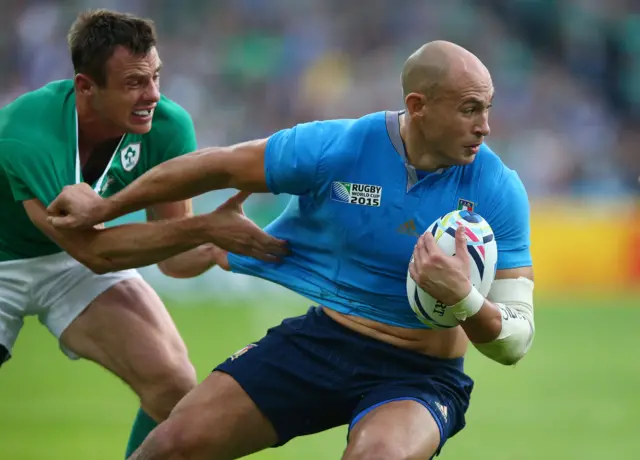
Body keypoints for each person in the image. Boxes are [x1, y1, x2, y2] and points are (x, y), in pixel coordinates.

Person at [48, 40, 536, 460]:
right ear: (418, 104)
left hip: (419, 374)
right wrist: (105, 207)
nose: (485, 126)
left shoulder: (497, 188)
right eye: (471, 108)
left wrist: (464, 299)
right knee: (171, 444)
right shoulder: (341, 147)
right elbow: (217, 167)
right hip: (321, 342)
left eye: (487, 108)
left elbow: (515, 341)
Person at [0, 8, 286, 459]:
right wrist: (206, 226)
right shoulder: (28, 132)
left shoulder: (168, 128)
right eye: (134, 82)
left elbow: (171, 257)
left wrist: (213, 247)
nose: (152, 94)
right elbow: (95, 252)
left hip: (72, 261)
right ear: (85, 87)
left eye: (155, 77)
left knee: (174, 386)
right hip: (10, 258)